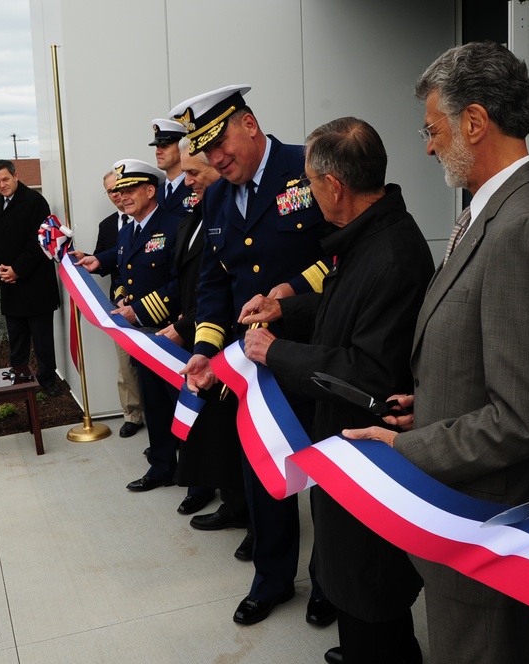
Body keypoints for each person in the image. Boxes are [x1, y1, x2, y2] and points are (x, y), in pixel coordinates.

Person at [343, 42, 529, 663]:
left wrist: (409, 446)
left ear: (474, 122)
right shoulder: (496, 209)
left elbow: (525, 417)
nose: (426, 146)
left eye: (432, 129)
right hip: (469, 518)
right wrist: (426, 403)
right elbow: (491, 356)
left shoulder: (521, 225)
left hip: (487, 525)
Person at [241, 117, 431, 664]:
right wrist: (285, 309)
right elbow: (341, 311)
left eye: (309, 182)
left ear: (335, 186)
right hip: (344, 454)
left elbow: (365, 373)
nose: (305, 193)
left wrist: (274, 351)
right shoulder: (368, 236)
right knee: (349, 580)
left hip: (370, 458)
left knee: (369, 588)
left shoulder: (391, 254)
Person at [174, 84, 332, 627]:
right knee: (265, 471)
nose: (216, 158)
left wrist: (288, 296)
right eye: (205, 151)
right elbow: (217, 285)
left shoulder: (307, 167)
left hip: (315, 351)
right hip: (255, 365)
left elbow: (343, 254)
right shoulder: (216, 198)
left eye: (221, 144)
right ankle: (273, 579)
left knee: (327, 475)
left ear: (250, 123)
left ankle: (330, 583)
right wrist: (204, 349)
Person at [154, 139, 249, 548]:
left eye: (195, 174)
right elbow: (199, 281)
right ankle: (233, 500)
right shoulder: (196, 215)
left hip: (234, 334)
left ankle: (247, 510)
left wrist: (192, 325)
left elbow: (229, 284)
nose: (187, 181)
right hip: (207, 335)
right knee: (220, 432)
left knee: (237, 433)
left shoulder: (228, 209)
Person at [76, 159, 182, 492]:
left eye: (130, 190)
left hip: (172, 333)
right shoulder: (127, 229)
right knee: (155, 405)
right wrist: (99, 261)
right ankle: (163, 467)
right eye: (119, 192)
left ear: (151, 190)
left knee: (183, 407)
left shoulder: (175, 224)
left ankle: (198, 478)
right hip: (143, 335)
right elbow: (124, 260)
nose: (122, 197)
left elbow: (184, 282)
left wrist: (140, 309)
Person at [0, 159, 64, 397]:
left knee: (42, 340)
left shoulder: (35, 201)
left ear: (15, 175)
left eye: (5, 179)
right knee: (17, 341)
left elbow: (38, 242)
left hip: (35, 284)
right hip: (10, 285)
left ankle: (48, 380)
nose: (1, 185)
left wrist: (17, 269)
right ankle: (19, 381)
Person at [94, 170, 145, 438]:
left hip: (153, 303)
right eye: (112, 191)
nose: (118, 195)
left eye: (121, 189)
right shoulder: (106, 226)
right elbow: (101, 262)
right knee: (126, 364)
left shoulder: (153, 219)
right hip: (120, 302)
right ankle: (132, 415)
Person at [150, 118, 193, 220]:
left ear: (181, 148)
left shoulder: (195, 185)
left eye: (164, 146)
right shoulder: (156, 192)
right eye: (157, 146)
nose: (158, 152)